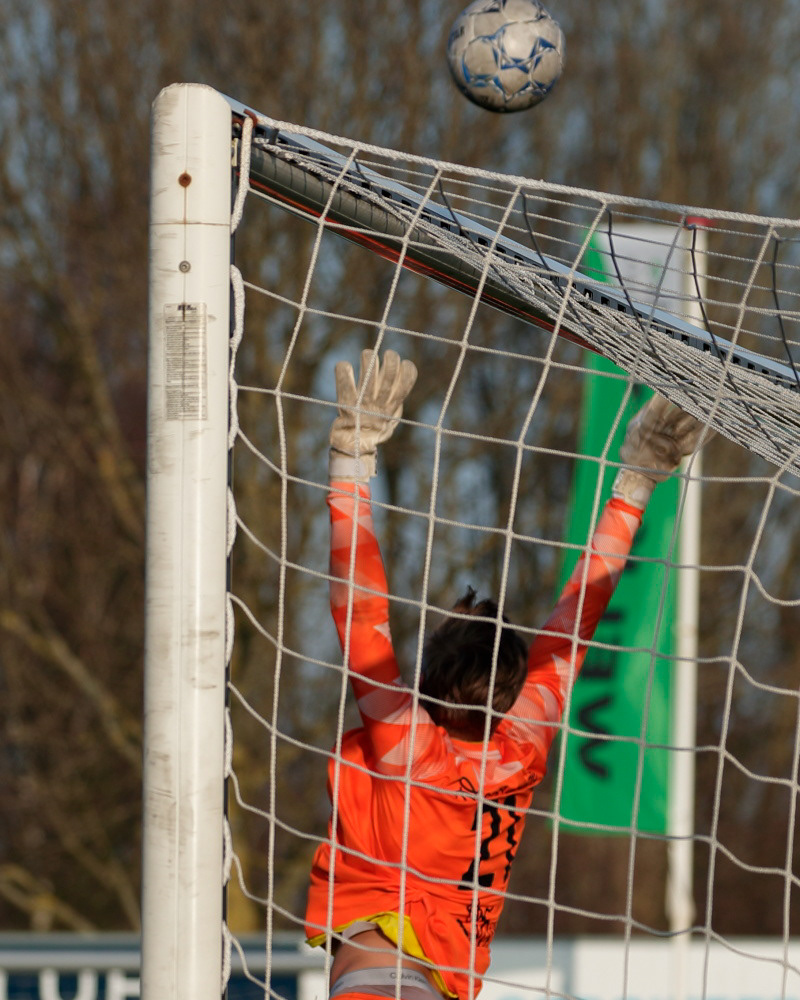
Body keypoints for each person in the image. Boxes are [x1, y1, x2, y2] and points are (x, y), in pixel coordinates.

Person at [305, 349, 709, 1000]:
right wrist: (634, 484)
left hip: (378, 982)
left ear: (430, 685)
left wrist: (351, 462)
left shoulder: (410, 745)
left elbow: (360, 612)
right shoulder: (520, 742)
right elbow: (575, 616)